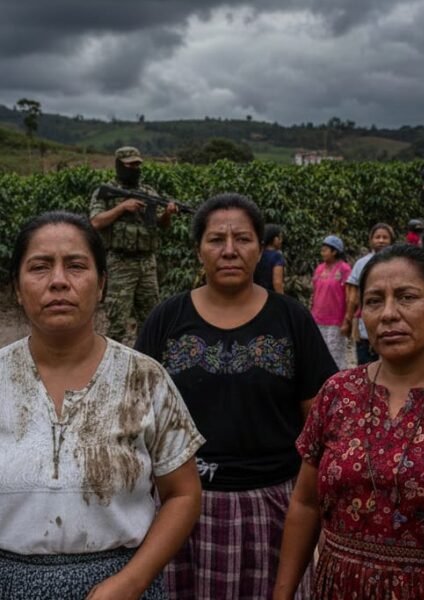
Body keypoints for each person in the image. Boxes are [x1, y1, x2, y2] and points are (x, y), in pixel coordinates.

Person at [135, 194, 338, 599]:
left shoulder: (290, 319)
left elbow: (322, 423)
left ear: (260, 249)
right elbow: (137, 412)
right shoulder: (168, 318)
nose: (229, 250)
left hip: (272, 510)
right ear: (198, 250)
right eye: (216, 240)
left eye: (243, 239)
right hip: (180, 509)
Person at [0, 212, 203, 599]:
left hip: (121, 586)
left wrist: (132, 581)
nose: (59, 281)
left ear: (103, 284)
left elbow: (183, 494)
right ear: (17, 288)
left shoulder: (145, 378)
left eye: (76, 266)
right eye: (40, 267)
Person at [273, 244, 424, 600]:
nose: (388, 314)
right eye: (373, 301)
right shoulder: (338, 393)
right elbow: (306, 504)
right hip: (340, 586)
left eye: (406, 297)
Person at [89, 146, 179, 345]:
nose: (135, 169)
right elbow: (95, 222)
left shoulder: (148, 192)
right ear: (119, 165)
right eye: (130, 165)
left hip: (147, 263)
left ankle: (147, 361)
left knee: (151, 319)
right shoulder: (105, 191)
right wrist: (122, 207)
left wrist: (167, 213)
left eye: (138, 165)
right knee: (117, 322)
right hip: (120, 263)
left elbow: (160, 225)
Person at [343, 223, 395, 366]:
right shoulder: (362, 263)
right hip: (365, 321)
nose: (381, 240)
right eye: (377, 237)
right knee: (366, 363)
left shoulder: (398, 262)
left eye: (385, 237)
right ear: (371, 240)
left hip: (392, 318)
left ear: (391, 240)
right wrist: (348, 318)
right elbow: (353, 294)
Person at [310, 235, 351, 370]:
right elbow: (314, 291)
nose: (322, 253)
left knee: (335, 355)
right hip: (318, 318)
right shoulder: (319, 268)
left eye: (325, 250)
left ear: (335, 251)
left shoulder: (344, 269)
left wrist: (347, 319)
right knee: (318, 353)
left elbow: (349, 295)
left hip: (336, 320)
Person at [254, 224, 286, 293]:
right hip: (271, 296)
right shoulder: (277, 256)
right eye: (280, 238)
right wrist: (282, 299)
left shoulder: (258, 254)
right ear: (274, 239)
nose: (281, 241)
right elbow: (277, 283)